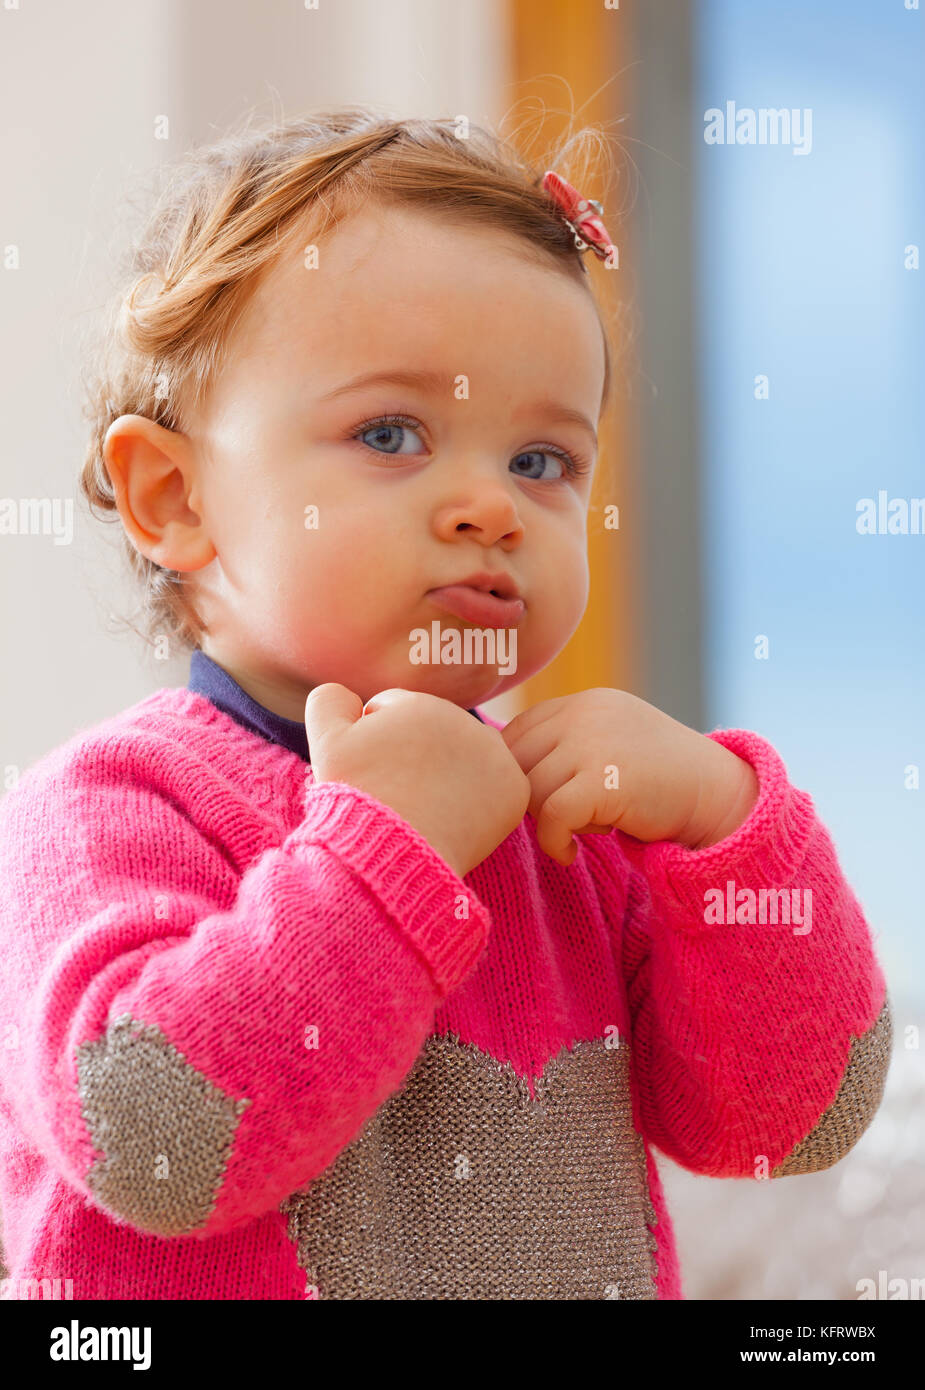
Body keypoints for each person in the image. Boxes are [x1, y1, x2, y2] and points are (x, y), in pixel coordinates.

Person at [0, 108, 891, 1300]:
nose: (492, 506)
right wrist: (385, 856)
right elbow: (156, 1141)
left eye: (542, 460)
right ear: (173, 498)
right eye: (390, 432)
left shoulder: (576, 818)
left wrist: (727, 826)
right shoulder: (106, 808)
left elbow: (793, 1120)